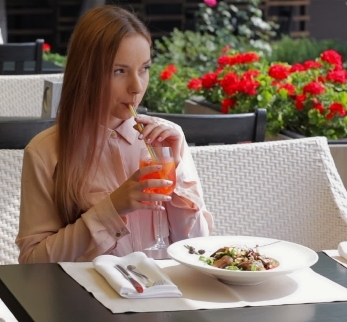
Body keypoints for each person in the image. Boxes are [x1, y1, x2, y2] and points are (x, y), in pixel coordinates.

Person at [16, 5, 213, 263]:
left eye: (144, 68)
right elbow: (33, 263)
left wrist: (175, 179)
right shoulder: (45, 152)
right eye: (119, 71)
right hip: (89, 298)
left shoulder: (168, 139)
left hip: (166, 296)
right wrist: (112, 209)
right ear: (86, 75)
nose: (137, 86)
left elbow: (199, 249)